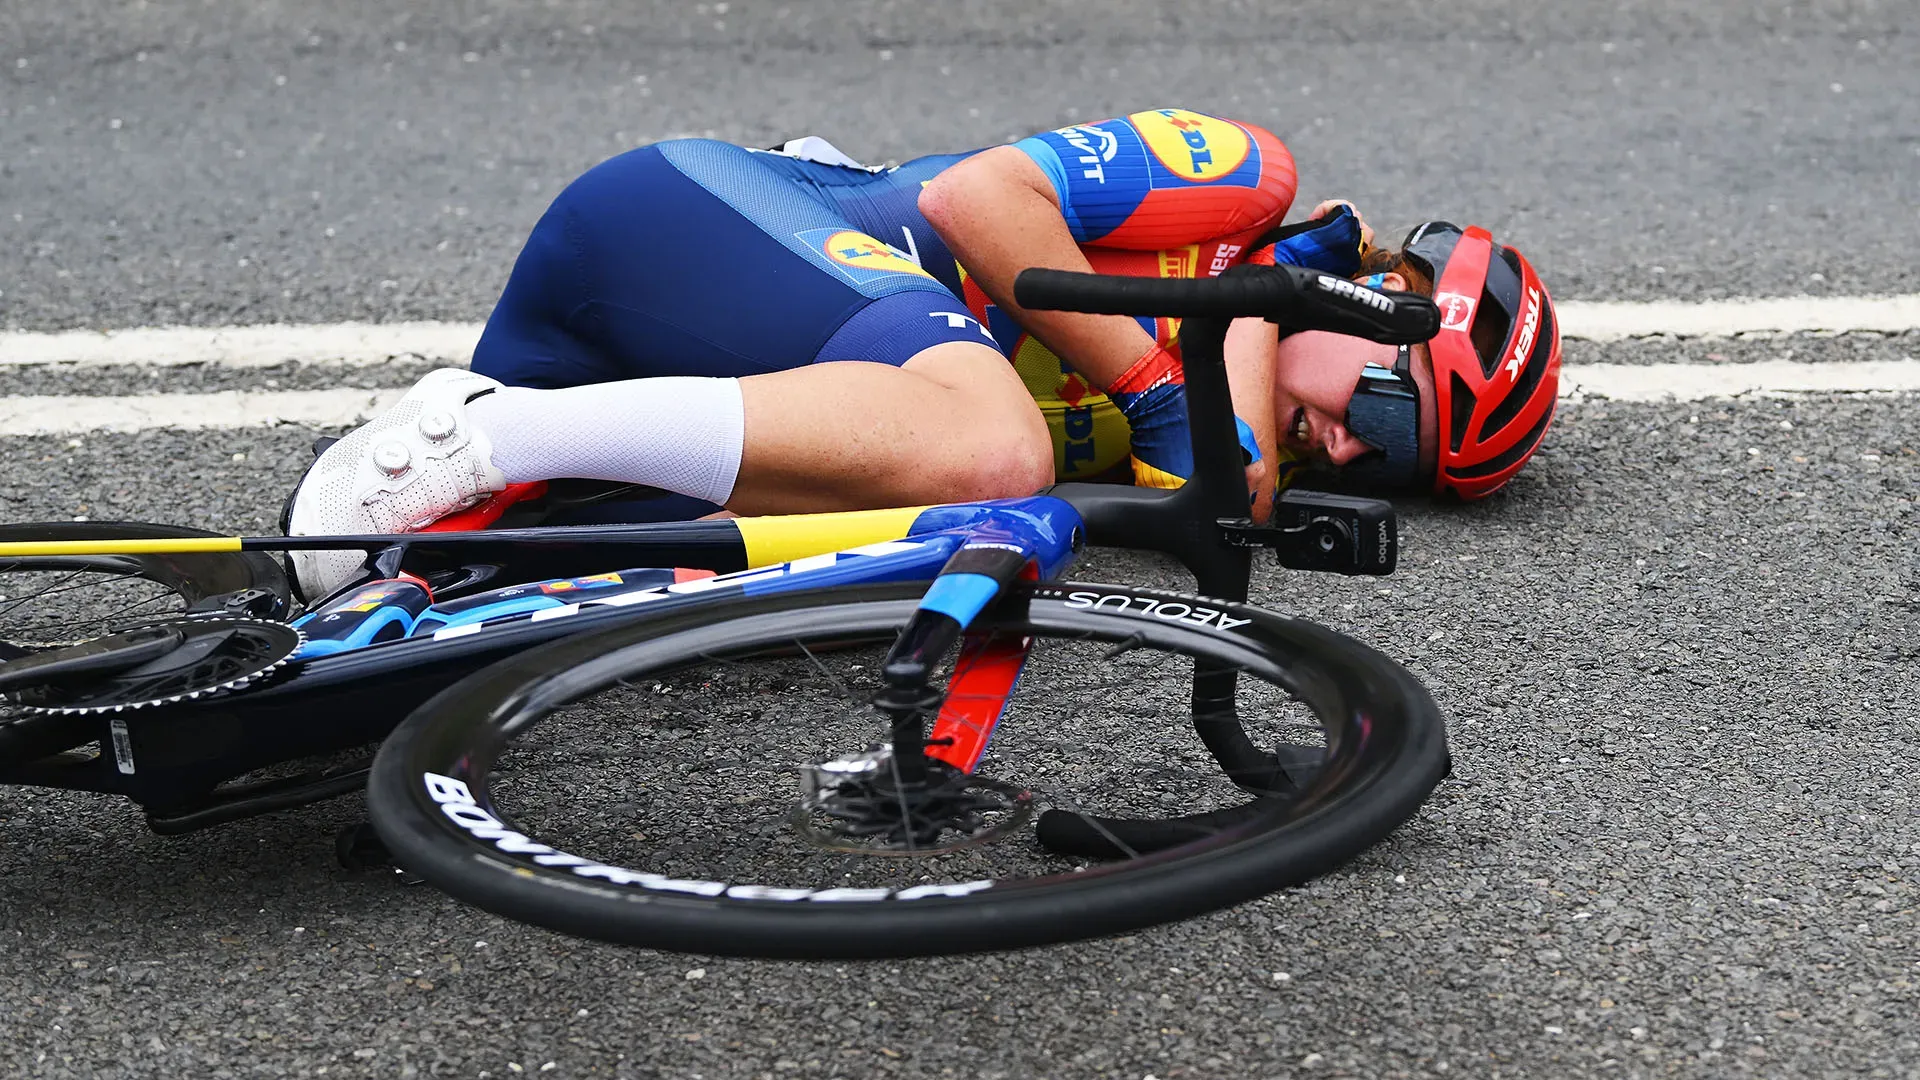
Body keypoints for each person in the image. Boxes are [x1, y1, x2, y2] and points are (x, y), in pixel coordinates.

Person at [284, 109, 1561, 600]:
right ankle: (485, 431)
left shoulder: (1237, 359)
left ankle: (485, 500)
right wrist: (1165, 392)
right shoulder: (1239, 174)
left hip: (698, 359)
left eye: (1394, 465)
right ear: (1381, 295)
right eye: (1387, 412)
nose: (1354, 449)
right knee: (991, 447)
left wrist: (1221, 434)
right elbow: (981, 202)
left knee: (909, 544)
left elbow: (1229, 428)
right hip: (683, 220)